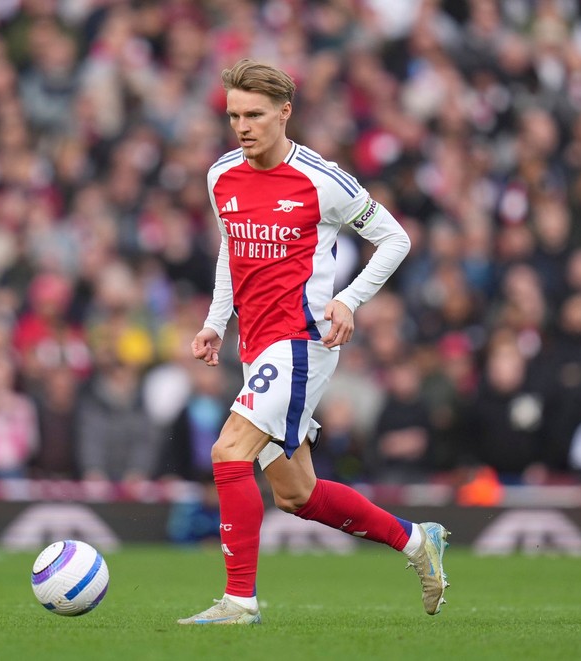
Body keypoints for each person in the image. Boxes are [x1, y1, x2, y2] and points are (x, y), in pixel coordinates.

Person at [179, 59, 449, 626]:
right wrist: (215, 322)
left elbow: (395, 238)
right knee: (296, 493)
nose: (243, 127)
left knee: (229, 452)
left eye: (255, 115)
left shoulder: (322, 180)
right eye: (233, 116)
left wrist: (349, 300)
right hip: (255, 347)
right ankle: (415, 541)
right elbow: (233, 250)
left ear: (285, 113)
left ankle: (239, 602)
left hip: (302, 344)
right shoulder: (220, 176)